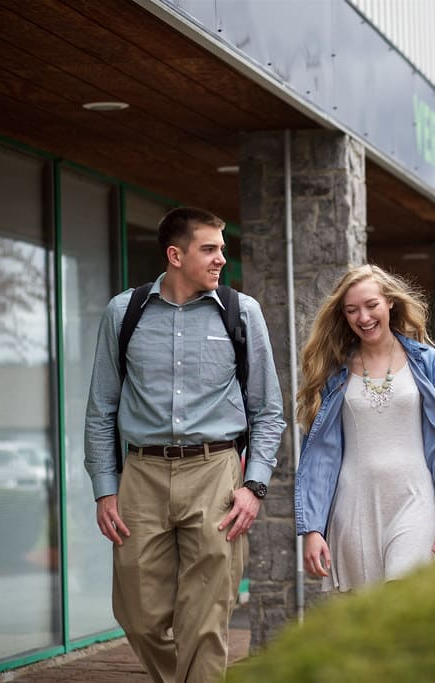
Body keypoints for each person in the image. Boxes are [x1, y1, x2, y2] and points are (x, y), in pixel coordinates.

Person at [84, 207, 285, 682]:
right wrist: (104, 487)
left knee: (205, 621)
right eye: (209, 249)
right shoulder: (124, 312)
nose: (221, 259)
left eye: (222, 249)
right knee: (138, 615)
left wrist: (253, 487)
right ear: (175, 255)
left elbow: (268, 410)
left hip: (215, 472)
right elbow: (101, 409)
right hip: (142, 475)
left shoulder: (242, 313)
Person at [294, 265, 435, 591]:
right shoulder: (333, 371)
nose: (363, 317)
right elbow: (321, 455)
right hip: (354, 508)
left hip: (414, 500)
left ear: (389, 302)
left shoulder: (427, 361)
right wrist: (313, 529)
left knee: (404, 600)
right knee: (366, 623)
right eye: (352, 310)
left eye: (371, 305)